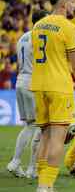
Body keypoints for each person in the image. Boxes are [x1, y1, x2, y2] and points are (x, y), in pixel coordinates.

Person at [31, 0, 75, 191]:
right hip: (59, 86)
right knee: (57, 138)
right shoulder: (68, 27)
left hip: (38, 85)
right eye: (72, 2)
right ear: (64, 5)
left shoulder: (37, 25)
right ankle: (45, 185)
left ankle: (42, 183)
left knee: (44, 135)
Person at [7, 9, 49, 179]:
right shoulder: (41, 38)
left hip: (21, 81)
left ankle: (16, 162)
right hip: (34, 83)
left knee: (29, 125)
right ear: (41, 22)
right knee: (41, 127)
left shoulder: (22, 37)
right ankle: (32, 168)